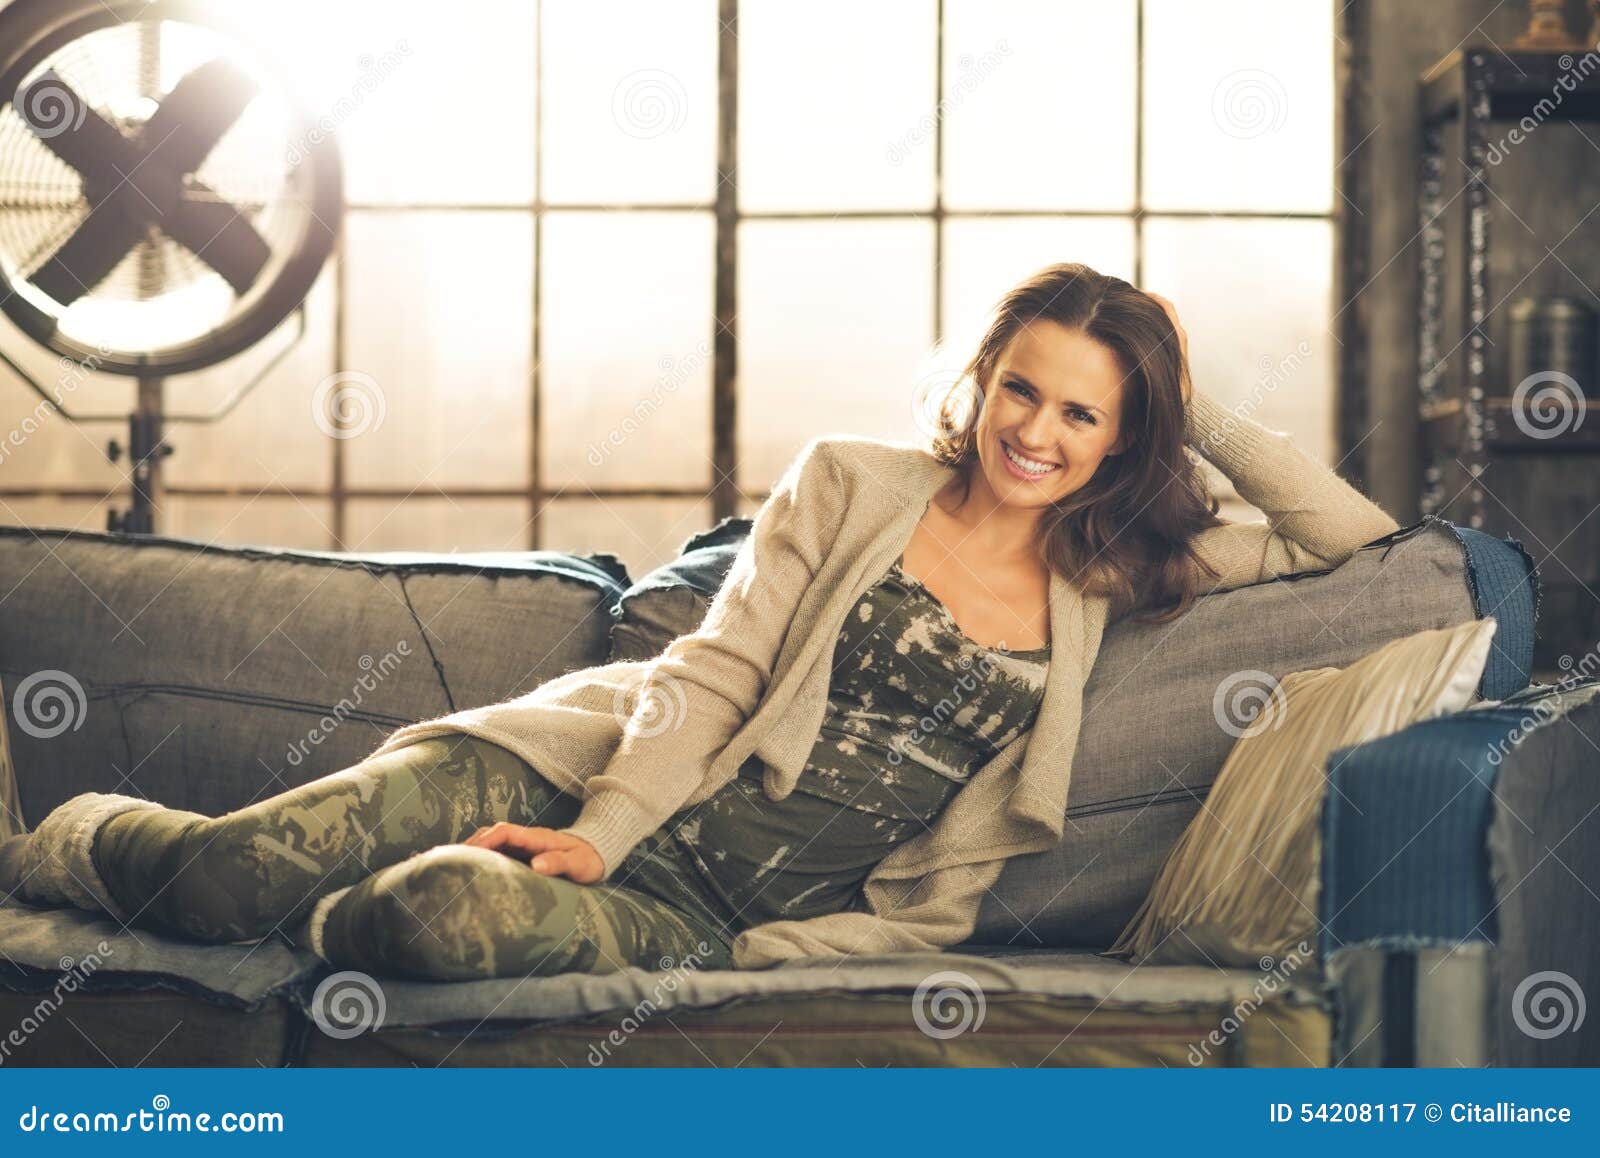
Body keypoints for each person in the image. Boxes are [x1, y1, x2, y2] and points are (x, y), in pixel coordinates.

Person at [0, 262, 1400, 980]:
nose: (1036, 429)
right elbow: (711, 671)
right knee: (232, 882)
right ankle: (50, 846)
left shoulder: (1126, 569)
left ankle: (298, 954)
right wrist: (598, 831)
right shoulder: (854, 481)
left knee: (422, 923)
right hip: (573, 786)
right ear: (980, 383)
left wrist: (1183, 389)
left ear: (1118, 436)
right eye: (1020, 388)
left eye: (1083, 410)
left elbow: (1359, 541)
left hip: (709, 917)